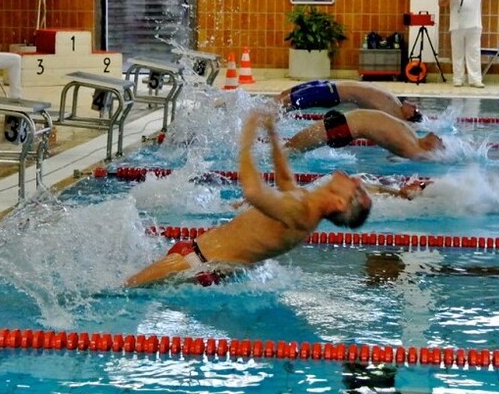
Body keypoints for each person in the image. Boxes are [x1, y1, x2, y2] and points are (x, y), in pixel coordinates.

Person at [125, 110, 373, 287]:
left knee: (123, 289)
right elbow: (285, 179)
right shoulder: (304, 203)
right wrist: (273, 136)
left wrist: (245, 144)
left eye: (357, 190)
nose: (357, 181)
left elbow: (253, 192)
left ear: (340, 203)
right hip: (196, 259)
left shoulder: (301, 213)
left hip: (195, 265)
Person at [284, 109, 443, 159]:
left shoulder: (411, 147)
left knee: (289, 149)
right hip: (344, 121)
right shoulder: (412, 136)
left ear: (430, 148)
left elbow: (421, 158)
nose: (441, 139)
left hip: (343, 128)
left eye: (442, 144)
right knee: (291, 147)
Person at [275, 80, 422, 122]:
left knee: (285, 103)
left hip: (330, 93)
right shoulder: (396, 104)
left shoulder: (392, 114)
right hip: (328, 84)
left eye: (415, 110)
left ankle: (259, 120)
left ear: (408, 116)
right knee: (284, 94)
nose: (415, 105)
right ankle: (263, 117)